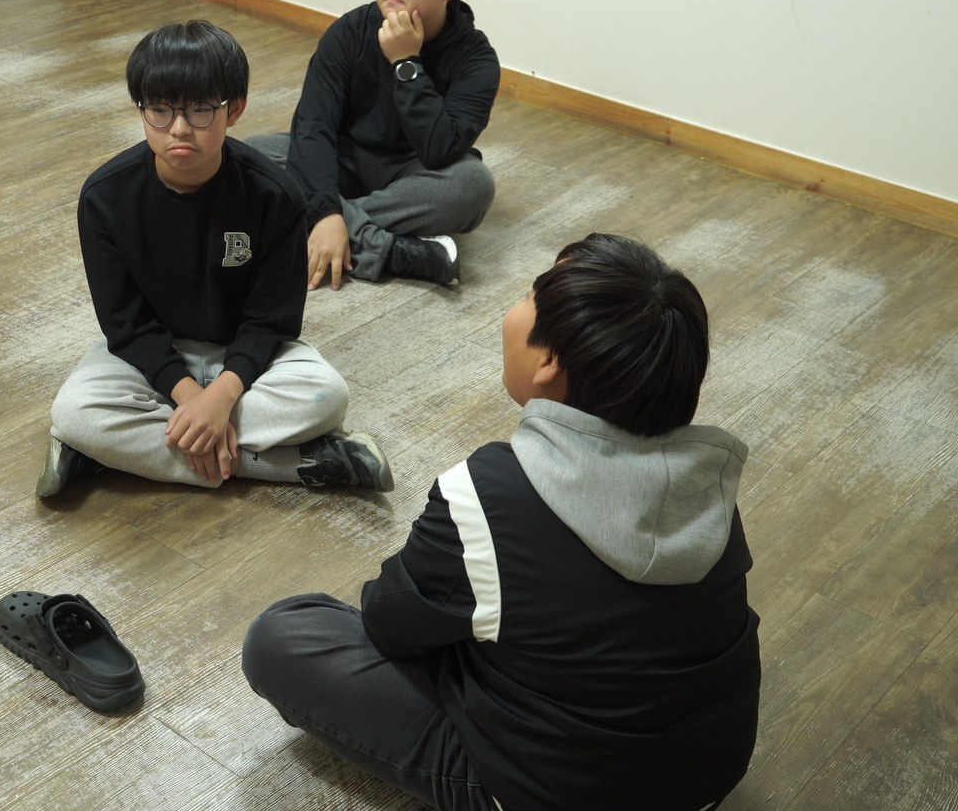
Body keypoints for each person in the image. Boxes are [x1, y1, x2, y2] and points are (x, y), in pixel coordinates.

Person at [241, 235, 762, 811]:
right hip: (707, 780)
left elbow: (389, 621)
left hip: (554, 796)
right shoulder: (708, 481)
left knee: (283, 636)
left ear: (549, 361)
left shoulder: (490, 494)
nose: (514, 309)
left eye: (530, 295)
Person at [40, 20, 391, 497]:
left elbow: (271, 320)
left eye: (201, 110)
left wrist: (222, 395)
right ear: (140, 108)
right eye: (159, 110)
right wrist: (191, 397)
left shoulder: (275, 194)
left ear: (235, 109)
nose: (178, 129)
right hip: (152, 356)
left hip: (243, 354)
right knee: (74, 411)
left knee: (325, 396)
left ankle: (106, 454)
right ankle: (295, 465)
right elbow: (127, 324)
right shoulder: (105, 197)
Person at [245, 0, 499, 289]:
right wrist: (326, 213)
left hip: (415, 172)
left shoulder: (476, 59)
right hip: (344, 160)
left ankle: (304, 227)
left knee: (472, 185)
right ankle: (392, 251)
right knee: (247, 157)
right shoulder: (348, 33)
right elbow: (313, 126)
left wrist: (406, 63)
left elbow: (440, 149)